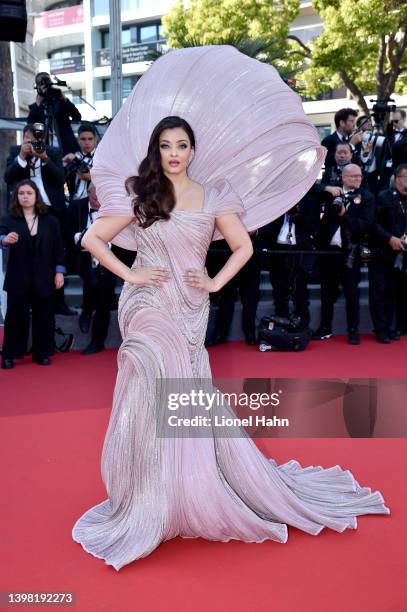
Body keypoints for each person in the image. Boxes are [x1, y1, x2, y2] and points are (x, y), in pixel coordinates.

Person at [71, 114, 389, 571]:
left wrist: (216, 282)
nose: (174, 153)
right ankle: (148, 491)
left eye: (182, 145)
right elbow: (92, 239)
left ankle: (181, 485)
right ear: (156, 150)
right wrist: (132, 273)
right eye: (166, 145)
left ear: (193, 150)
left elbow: (243, 247)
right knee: (150, 380)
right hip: (147, 305)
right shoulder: (142, 194)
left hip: (189, 305)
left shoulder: (214, 195)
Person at [4, 123, 73, 316]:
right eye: (29, 140)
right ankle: (28, 301)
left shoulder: (52, 152)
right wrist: (23, 157)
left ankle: (59, 301)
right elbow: (8, 178)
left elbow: (61, 179)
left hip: (51, 211)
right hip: (25, 209)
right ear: (24, 139)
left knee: (55, 254)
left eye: (36, 140)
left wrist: (45, 159)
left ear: (42, 139)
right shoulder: (16, 152)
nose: (33, 143)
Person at [0, 180, 65, 369]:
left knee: (43, 316)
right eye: (21, 193)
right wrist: (4, 240)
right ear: (16, 196)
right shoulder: (8, 219)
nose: (25, 196)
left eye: (29, 193)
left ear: (36, 195)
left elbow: (58, 249)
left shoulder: (50, 221)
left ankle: (42, 353)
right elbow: (1, 236)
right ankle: (9, 355)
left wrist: (59, 272)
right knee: (14, 317)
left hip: (44, 276)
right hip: (18, 276)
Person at [312, 164, 375, 345]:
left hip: (351, 253)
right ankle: (325, 327)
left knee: (352, 293)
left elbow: (365, 225)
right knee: (326, 292)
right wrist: (326, 187)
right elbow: (310, 190)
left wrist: (344, 215)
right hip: (328, 252)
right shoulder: (332, 193)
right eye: (352, 176)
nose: (356, 179)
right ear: (343, 177)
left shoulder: (367, 197)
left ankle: (353, 330)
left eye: (359, 176)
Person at [71, 183, 117, 354]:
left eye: (101, 197)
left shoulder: (115, 208)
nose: (97, 201)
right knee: (92, 283)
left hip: (109, 259)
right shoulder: (77, 207)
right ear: (88, 192)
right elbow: (67, 232)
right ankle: (87, 309)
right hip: (85, 257)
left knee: (103, 298)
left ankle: (97, 341)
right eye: (93, 197)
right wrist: (82, 239)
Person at [369, 163, 407, 342]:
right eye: (406, 177)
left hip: (402, 255)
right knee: (379, 292)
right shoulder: (384, 196)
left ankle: (393, 327)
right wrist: (389, 238)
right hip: (382, 252)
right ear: (397, 179)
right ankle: (381, 329)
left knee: (395, 292)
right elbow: (374, 224)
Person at [27, 72, 81, 155]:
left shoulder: (61, 103)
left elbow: (77, 117)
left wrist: (65, 99)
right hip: (45, 150)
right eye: (41, 85)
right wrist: (38, 105)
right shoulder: (35, 108)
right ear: (37, 87)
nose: (46, 88)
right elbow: (30, 125)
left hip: (66, 148)